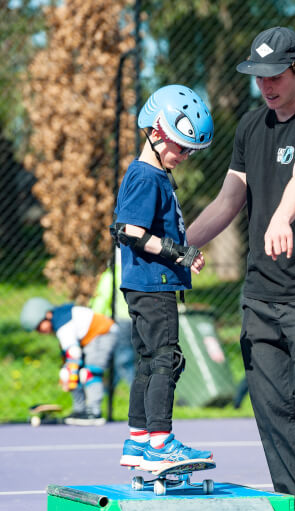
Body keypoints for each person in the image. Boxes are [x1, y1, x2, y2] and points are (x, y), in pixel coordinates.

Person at [186, 26, 295, 511]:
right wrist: (179, 242)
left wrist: (281, 217)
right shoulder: (251, 126)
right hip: (260, 289)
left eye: (276, 75)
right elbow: (230, 198)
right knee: (271, 404)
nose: (266, 86)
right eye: (259, 77)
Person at [111, 84, 212, 471]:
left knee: (149, 360)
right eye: (181, 146)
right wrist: (181, 254)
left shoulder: (151, 175)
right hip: (153, 284)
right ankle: (160, 441)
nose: (184, 156)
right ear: (156, 131)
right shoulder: (146, 177)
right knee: (165, 359)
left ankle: (138, 440)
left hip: (147, 284)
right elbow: (131, 231)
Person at [20, 298, 118, 425]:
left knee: (89, 373)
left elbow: (73, 354)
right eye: (37, 329)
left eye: (40, 326)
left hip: (103, 333)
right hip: (90, 339)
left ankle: (94, 412)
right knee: (71, 373)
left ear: (48, 314)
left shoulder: (63, 325)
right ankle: (80, 410)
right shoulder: (59, 322)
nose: (40, 331)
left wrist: (69, 376)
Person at [90, 248, 135, 387]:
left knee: (123, 357)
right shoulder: (137, 271)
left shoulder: (113, 273)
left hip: (122, 319)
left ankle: (135, 389)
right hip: (139, 318)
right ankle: (110, 388)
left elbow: (103, 297)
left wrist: (95, 317)